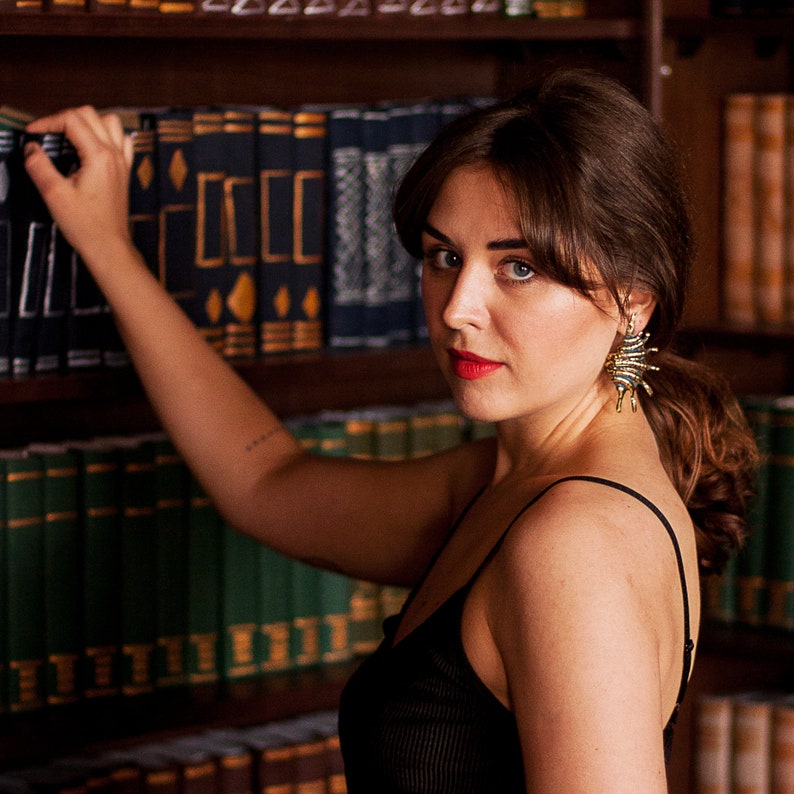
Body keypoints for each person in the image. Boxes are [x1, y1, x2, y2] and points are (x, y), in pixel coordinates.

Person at [24, 68, 757, 792]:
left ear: (632, 301)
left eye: (520, 268)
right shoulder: (517, 480)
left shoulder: (573, 541)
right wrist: (110, 249)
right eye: (445, 257)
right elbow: (267, 481)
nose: (457, 308)